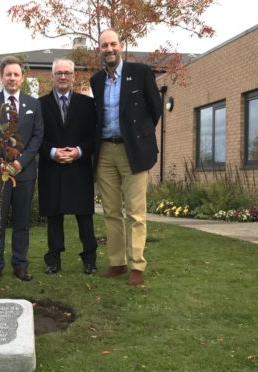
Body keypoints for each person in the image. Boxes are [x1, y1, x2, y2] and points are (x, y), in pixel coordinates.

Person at [89, 29, 162, 286]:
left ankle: (137, 266)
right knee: (111, 211)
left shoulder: (140, 73)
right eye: (103, 45)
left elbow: (155, 109)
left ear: (121, 46)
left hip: (134, 150)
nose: (108, 49)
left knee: (135, 212)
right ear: (99, 49)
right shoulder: (96, 81)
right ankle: (117, 263)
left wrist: (140, 136)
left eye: (112, 44)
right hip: (105, 151)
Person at [0, 55, 44, 283]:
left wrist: (19, 162)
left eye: (16, 74)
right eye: (8, 74)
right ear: (1, 76)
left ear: (22, 77)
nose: (12, 78)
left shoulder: (33, 104)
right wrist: (0, 161)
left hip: (24, 173)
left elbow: (38, 137)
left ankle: (20, 265)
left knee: (21, 221)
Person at [38, 58, 98, 275]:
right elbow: (37, 137)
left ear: (74, 76)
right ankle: (53, 260)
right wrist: (53, 153)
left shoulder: (87, 104)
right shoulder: (40, 104)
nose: (63, 77)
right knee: (54, 215)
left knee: (84, 216)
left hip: (78, 167)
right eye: (59, 73)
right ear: (52, 76)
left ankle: (89, 259)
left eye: (67, 73)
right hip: (51, 167)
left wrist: (79, 151)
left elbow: (94, 136)